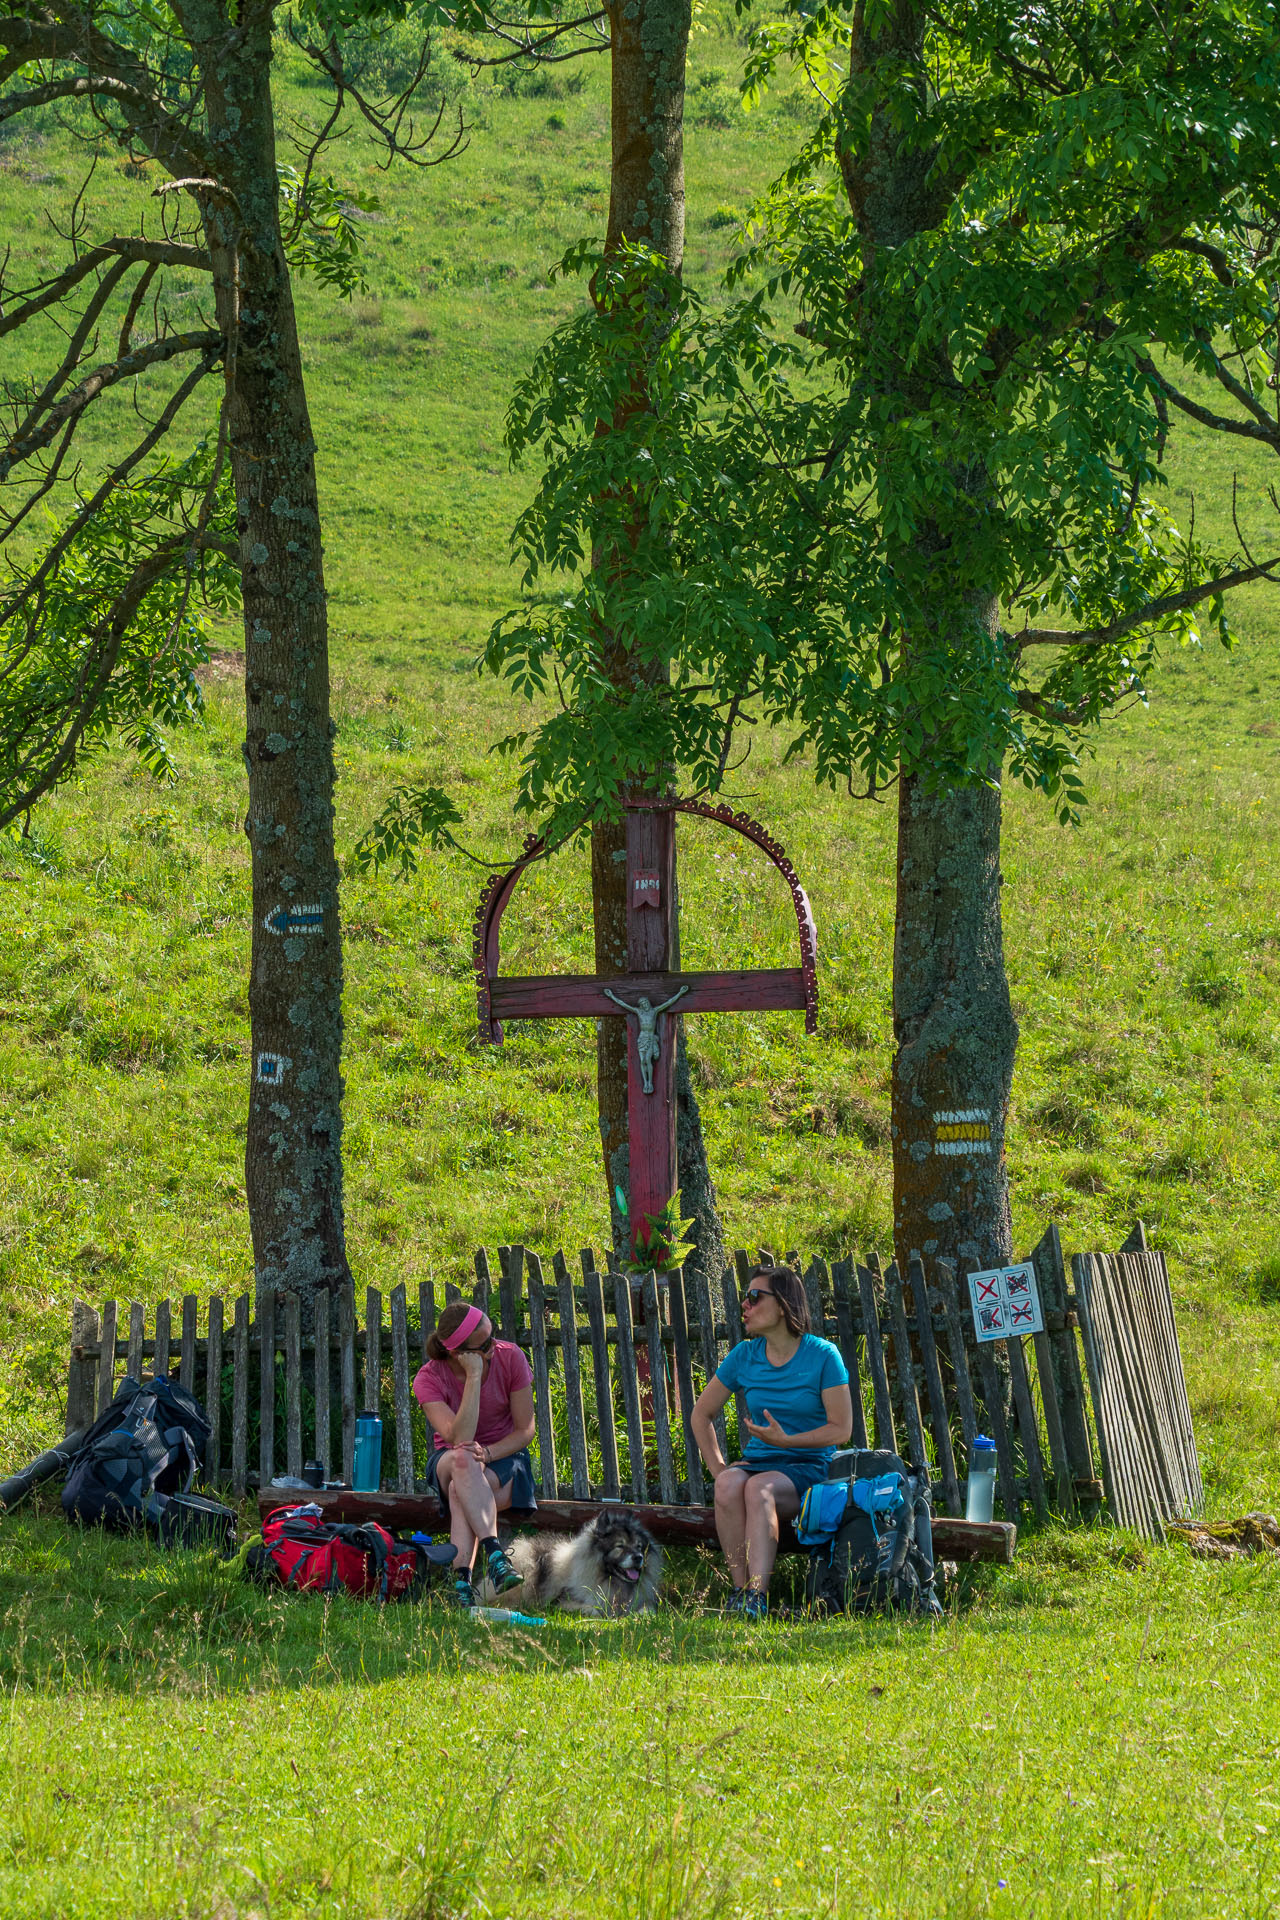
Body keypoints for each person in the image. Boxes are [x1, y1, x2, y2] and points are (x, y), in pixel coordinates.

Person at [690, 1264, 853, 1620]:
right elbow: (700, 1415)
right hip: (761, 1463)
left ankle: (757, 1598)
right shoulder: (744, 1356)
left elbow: (841, 1430)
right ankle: (738, 1592)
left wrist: (788, 1439)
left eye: (754, 1297)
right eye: (744, 1298)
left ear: (782, 1305)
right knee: (730, 1484)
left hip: (810, 1468)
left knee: (758, 1488)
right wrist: (719, 1469)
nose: (744, 1306)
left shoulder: (823, 1355)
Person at [412, 1300, 536, 1607]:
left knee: (460, 1489)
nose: (495, 1345)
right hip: (450, 1461)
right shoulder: (428, 1379)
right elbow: (459, 1437)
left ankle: (462, 1588)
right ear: (459, 1353)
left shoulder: (511, 1358)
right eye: (485, 1344)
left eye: (493, 1335)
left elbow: (525, 1431)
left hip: (503, 1459)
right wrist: (474, 1378)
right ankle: (496, 1554)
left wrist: (490, 1453)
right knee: (462, 1457)